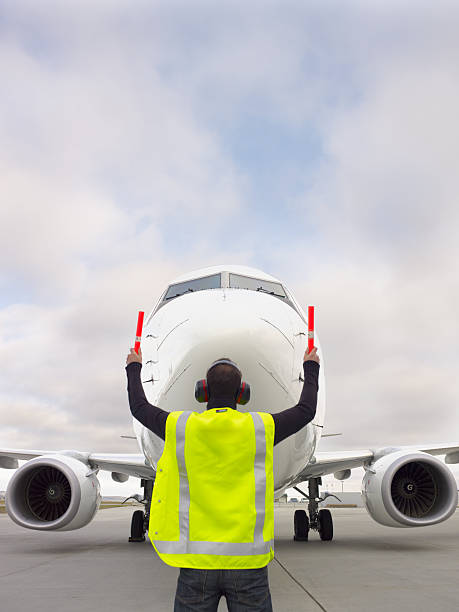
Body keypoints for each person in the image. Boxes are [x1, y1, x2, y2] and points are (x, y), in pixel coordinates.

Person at [126, 344, 320, 611]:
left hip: (197, 564)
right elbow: (306, 410)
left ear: (202, 390)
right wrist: (311, 366)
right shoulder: (261, 428)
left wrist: (133, 366)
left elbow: (139, 407)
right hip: (248, 565)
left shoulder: (182, 427)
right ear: (242, 394)